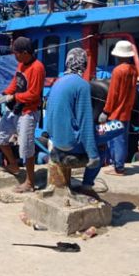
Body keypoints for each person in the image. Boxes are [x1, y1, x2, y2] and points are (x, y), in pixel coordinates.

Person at [0, 36, 45, 193]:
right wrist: (4, 94)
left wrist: (14, 97)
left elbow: (34, 94)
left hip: (28, 111)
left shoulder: (37, 68)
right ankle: (13, 166)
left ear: (25, 53)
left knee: (27, 149)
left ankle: (30, 182)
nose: (14, 55)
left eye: (16, 52)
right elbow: (16, 82)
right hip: (15, 109)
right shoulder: (21, 64)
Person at [45, 48, 101, 195]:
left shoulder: (57, 83)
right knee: (105, 141)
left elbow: (49, 115)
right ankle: (87, 187)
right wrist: (93, 155)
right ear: (84, 65)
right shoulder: (82, 85)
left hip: (55, 141)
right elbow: (85, 122)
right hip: (69, 146)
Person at [99, 40, 138, 176]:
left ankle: (119, 168)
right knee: (122, 139)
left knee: (116, 140)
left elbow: (112, 94)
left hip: (116, 112)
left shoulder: (117, 71)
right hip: (126, 111)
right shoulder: (133, 70)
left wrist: (105, 111)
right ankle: (118, 165)